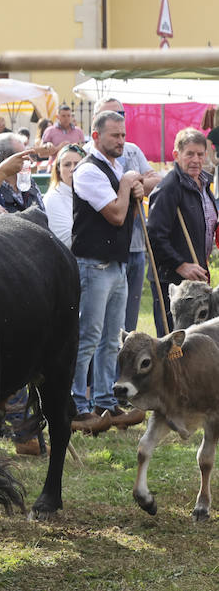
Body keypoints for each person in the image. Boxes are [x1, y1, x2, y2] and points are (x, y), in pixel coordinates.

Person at [69, 109, 147, 434]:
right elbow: (116, 214)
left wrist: (134, 187)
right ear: (96, 136)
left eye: (123, 135)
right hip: (93, 264)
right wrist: (130, 183)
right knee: (88, 337)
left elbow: (135, 194)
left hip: (116, 264)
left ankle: (104, 400)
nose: (121, 140)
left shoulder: (115, 168)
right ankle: (76, 404)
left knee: (113, 341)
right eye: (115, 135)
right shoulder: (88, 170)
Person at [95, 99, 163, 334]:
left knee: (129, 320)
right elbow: (110, 201)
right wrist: (128, 186)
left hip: (135, 244)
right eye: (112, 113)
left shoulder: (132, 149)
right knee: (104, 323)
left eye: (121, 113)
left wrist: (137, 184)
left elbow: (157, 181)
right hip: (107, 248)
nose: (118, 116)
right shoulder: (89, 156)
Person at [146, 128, 216, 330]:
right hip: (173, 280)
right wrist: (180, 265)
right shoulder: (169, 188)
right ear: (177, 155)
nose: (196, 159)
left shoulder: (203, 184)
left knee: (195, 341)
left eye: (200, 154)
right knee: (174, 343)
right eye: (190, 154)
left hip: (196, 275)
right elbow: (154, 236)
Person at [42, 144, 81, 246]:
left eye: (77, 164)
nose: (73, 169)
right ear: (58, 169)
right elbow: (67, 241)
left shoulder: (90, 194)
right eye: (67, 165)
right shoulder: (53, 198)